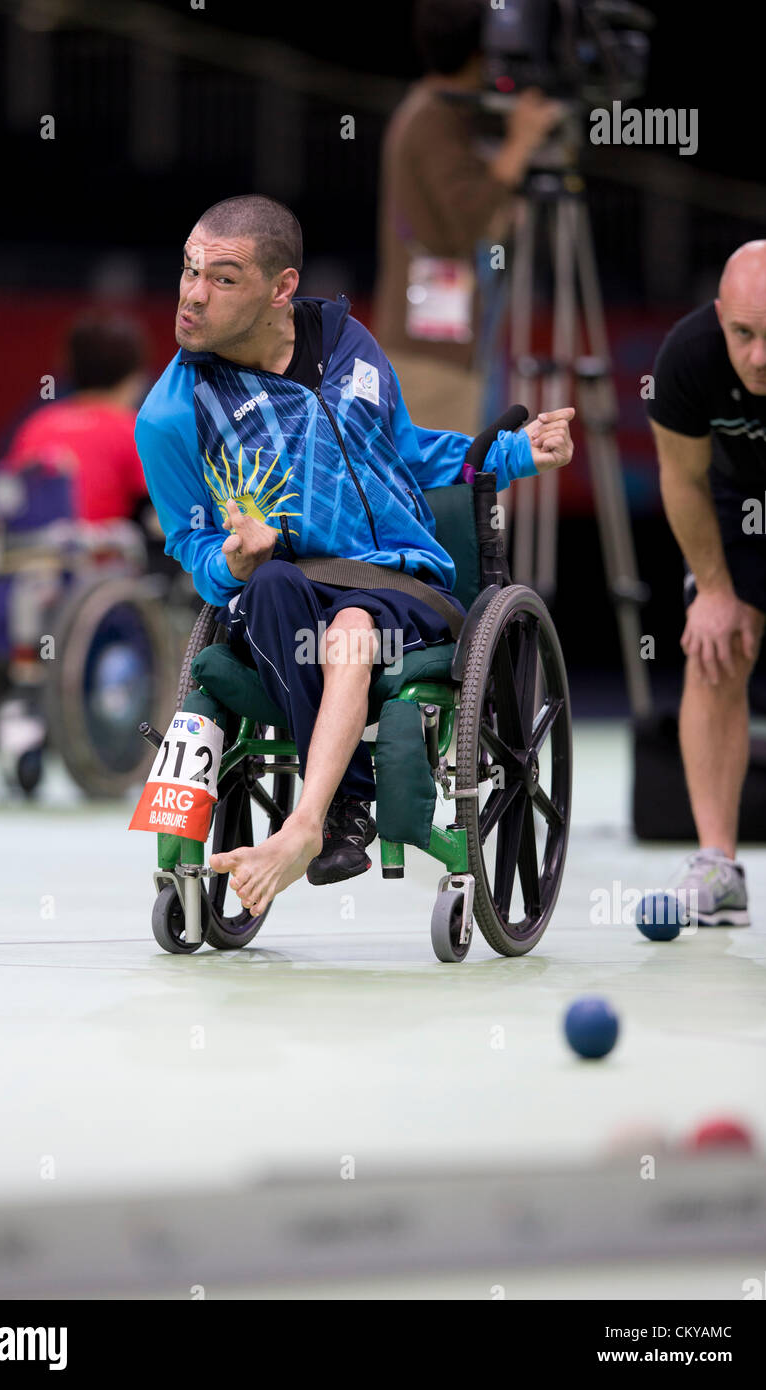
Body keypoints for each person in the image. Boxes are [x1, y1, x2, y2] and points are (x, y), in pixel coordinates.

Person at [136, 194, 575, 914]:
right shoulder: (173, 414)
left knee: (354, 626)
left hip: (403, 582)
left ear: (281, 289)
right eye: (188, 270)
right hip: (288, 594)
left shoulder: (350, 344)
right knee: (275, 589)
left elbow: (406, 451)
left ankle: (310, 821)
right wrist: (235, 563)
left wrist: (517, 453)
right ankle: (342, 803)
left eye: (222, 278)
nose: (191, 294)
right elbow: (192, 547)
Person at [647, 240, 766, 925]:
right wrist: (717, 592)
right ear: (722, 315)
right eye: (745, 334)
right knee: (715, 645)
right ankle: (718, 867)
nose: (760, 357)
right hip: (736, 496)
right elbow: (683, 477)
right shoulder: (690, 354)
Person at [374, 0, 563, 434]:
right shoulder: (432, 119)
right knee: (442, 493)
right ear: (481, 51)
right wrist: (520, 144)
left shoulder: (437, 111)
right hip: (429, 353)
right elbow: (472, 217)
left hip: (437, 346)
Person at [7, 314, 149, 526]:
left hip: (30, 552)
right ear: (136, 376)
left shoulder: (37, 424)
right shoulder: (135, 430)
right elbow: (158, 515)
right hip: (96, 555)